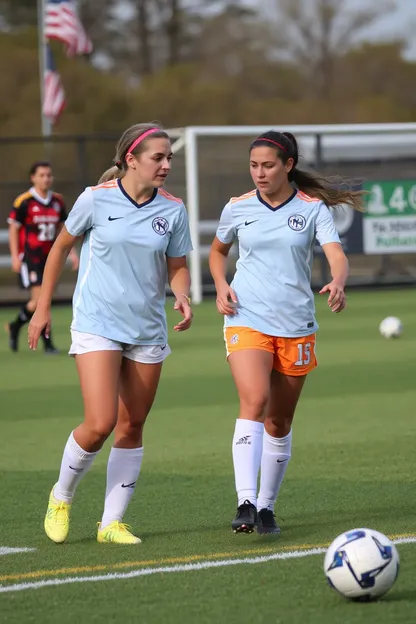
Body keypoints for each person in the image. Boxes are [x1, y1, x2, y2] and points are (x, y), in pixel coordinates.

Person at [28, 123, 193, 545]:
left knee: (132, 424)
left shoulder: (173, 210)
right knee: (100, 422)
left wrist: (182, 295)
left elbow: (177, 265)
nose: (166, 165)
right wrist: (42, 307)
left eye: (169, 157)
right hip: (97, 321)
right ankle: (61, 496)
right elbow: (61, 247)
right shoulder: (94, 200)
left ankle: (111, 524)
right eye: (158, 157)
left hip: (147, 327)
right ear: (131, 160)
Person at [209, 130, 364, 535]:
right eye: (253, 165)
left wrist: (339, 281)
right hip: (246, 316)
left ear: (288, 166)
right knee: (254, 399)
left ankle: (266, 507)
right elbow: (217, 251)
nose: (259, 173)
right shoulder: (237, 207)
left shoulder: (312, 209)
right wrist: (221, 284)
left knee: (278, 421)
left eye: (268, 165)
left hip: (296, 325)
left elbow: (336, 255)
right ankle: (244, 502)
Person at [6, 161, 79, 353]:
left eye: (49, 175)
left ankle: (15, 326)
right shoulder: (24, 201)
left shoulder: (57, 201)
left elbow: (63, 230)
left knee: (37, 302)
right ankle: (48, 343)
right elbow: (14, 228)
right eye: (42, 175)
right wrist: (14, 256)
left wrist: (72, 253)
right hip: (31, 257)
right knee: (41, 301)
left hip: (51, 258)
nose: (46, 179)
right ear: (33, 178)